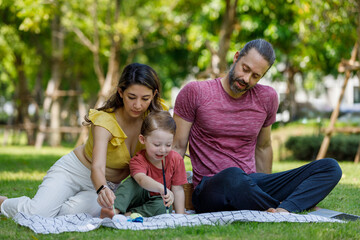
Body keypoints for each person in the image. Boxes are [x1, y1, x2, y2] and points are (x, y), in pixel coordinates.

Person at [172, 39, 342, 214]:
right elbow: (177, 147)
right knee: (233, 176)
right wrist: (169, 192)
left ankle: (284, 208)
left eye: (255, 76)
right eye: (245, 69)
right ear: (236, 57)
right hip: (210, 190)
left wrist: (261, 188)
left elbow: (263, 147)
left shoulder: (267, 97)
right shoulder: (195, 92)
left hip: (250, 181)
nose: (246, 79)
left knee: (330, 167)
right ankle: (288, 205)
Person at [0, 63, 167, 218]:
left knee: (69, 214)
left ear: (154, 95)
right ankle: (4, 203)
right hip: (75, 172)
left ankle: (52, 204)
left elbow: (167, 151)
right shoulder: (105, 121)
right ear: (120, 92)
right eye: (132, 97)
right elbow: (98, 167)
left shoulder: (156, 121)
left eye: (145, 99)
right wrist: (102, 189)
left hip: (107, 185)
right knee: (37, 213)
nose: (138, 104)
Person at [100, 111, 187, 219]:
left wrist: (180, 215)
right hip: (136, 197)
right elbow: (141, 179)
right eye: (157, 144)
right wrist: (160, 187)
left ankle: (129, 215)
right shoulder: (138, 159)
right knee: (130, 184)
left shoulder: (176, 160)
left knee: (165, 207)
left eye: (168, 144)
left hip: (156, 201)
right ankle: (114, 210)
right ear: (142, 139)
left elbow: (178, 189)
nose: (163, 149)